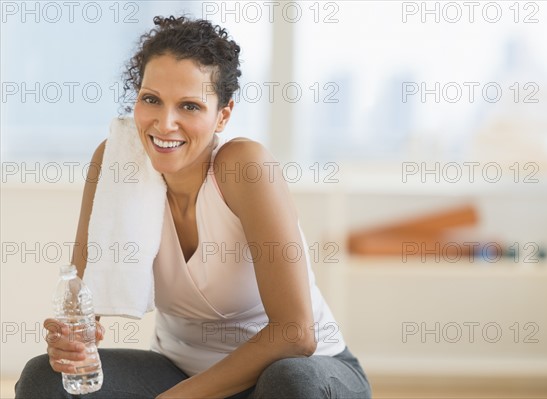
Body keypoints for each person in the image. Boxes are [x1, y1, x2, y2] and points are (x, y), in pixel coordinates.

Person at [15, 15, 372, 399]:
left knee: (291, 383)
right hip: (181, 370)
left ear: (224, 114)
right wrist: (71, 341)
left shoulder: (245, 167)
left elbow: (296, 333)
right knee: (42, 378)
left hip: (300, 372)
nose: (165, 123)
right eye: (151, 99)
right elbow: (83, 304)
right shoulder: (115, 162)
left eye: (189, 106)